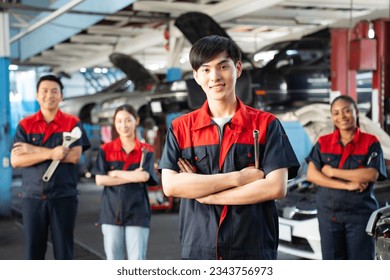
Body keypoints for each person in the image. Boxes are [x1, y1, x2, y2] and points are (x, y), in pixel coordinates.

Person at [158, 35, 300, 260]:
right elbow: (172, 186)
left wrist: (206, 195)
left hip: (252, 247)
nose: (214, 77)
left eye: (222, 66)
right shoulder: (180, 128)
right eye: (205, 70)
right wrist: (240, 178)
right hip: (199, 248)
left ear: (238, 68)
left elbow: (275, 188)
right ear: (196, 76)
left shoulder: (266, 125)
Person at [10, 74, 91, 260]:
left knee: (64, 251)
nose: (49, 95)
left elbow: (74, 156)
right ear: (37, 96)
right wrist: (50, 153)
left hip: (64, 196)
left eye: (54, 91)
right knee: (33, 252)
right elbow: (16, 160)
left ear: (61, 96)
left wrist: (32, 150)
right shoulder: (25, 125)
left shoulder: (72, 123)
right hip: (32, 198)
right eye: (44, 91)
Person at [306, 95, 387, 260]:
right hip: (329, 215)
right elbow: (312, 174)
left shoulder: (370, 142)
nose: (341, 116)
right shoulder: (323, 142)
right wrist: (348, 185)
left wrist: (332, 172)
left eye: (346, 111)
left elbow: (371, 174)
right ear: (332, 117)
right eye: (336, 113)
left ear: (356, 112)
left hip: (359, 215)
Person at [92, 104, 159, 260]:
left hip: (138, 212)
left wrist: (115, 173)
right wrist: (131, 176)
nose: (123, 125)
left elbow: (144, 177)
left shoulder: (146, 150)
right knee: (114, 261)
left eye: (128, 120)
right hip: (111, 213)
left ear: (136, 121)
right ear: (115, 123)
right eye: (119, 121)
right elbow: (100, 179)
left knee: (137, 261)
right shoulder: (106, 150)